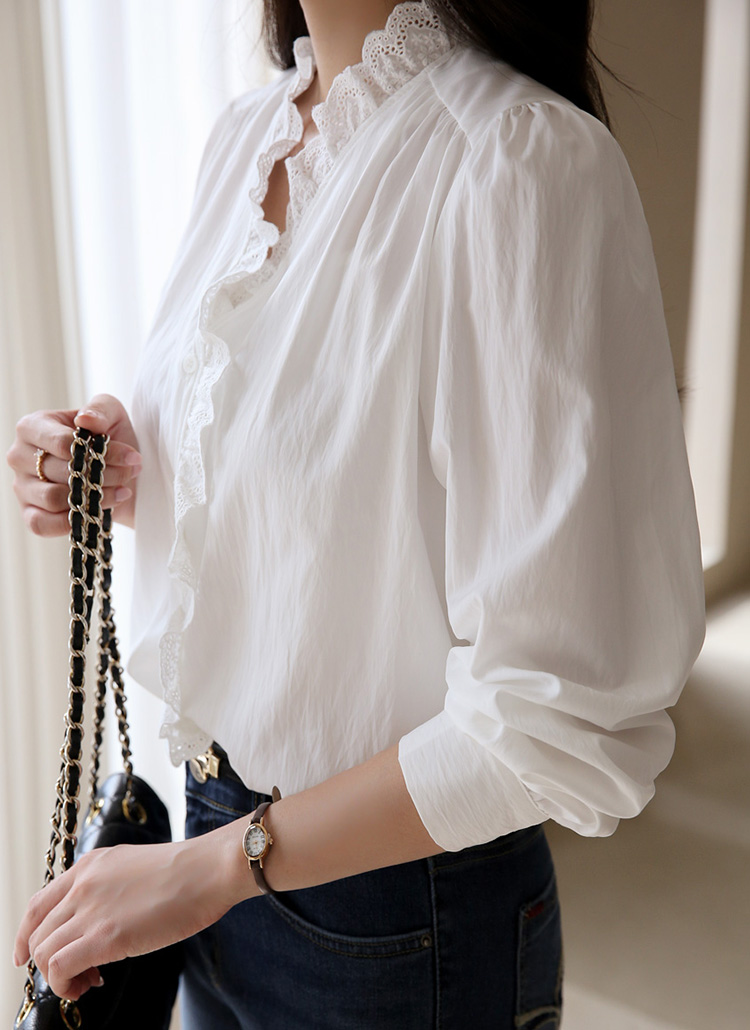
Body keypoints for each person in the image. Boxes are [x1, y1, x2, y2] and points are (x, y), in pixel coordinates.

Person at [8, 1, 706, 1027]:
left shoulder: (518, 162)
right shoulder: (249, 135)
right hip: (208, 853)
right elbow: (321, 502)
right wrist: (119, 465)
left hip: (387, 918)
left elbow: (556, 713)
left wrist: (219, 868)